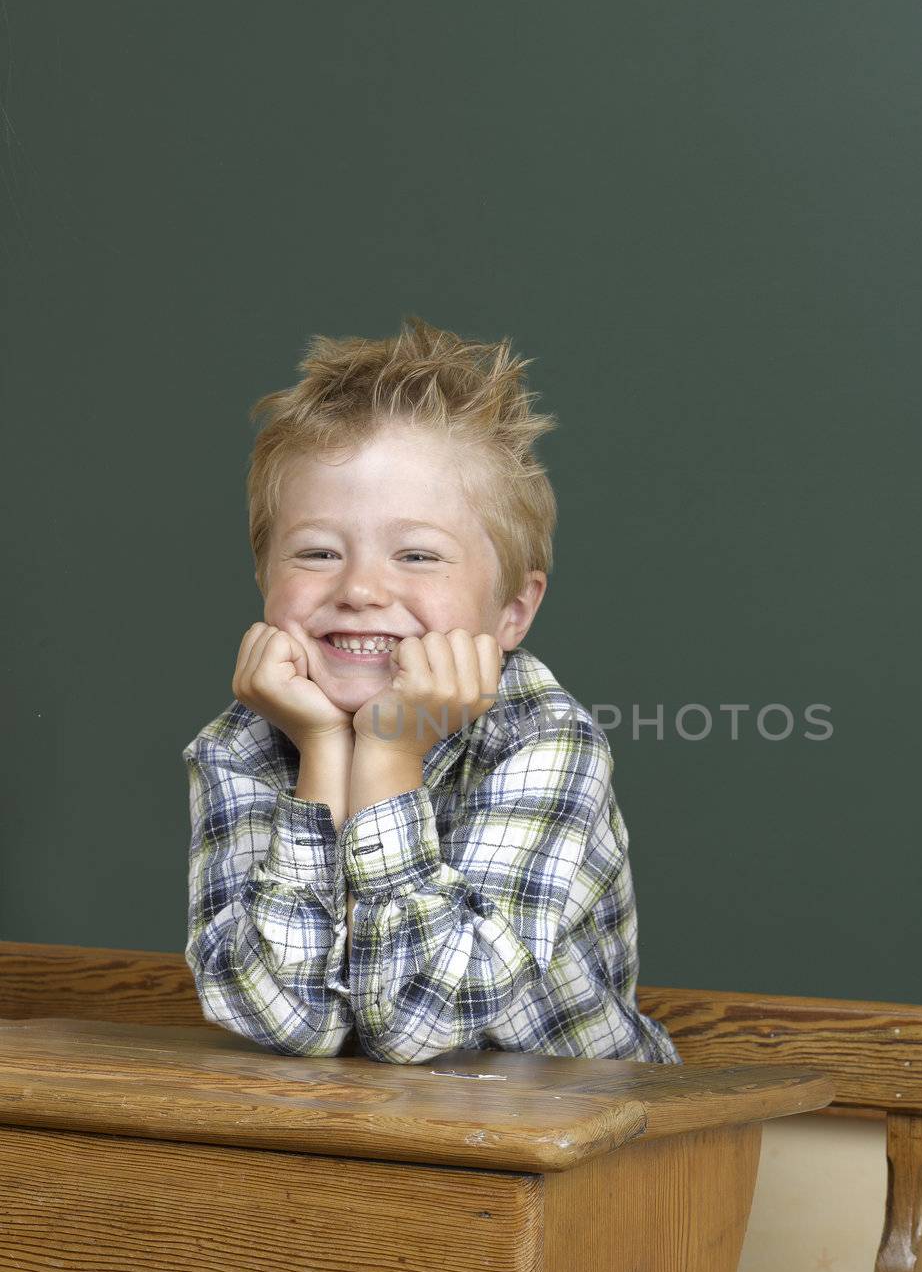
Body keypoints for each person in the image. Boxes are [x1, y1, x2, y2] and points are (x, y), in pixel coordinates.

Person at [182, 316, 680, 1065]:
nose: (359, 589)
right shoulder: (242, 744)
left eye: (417, 555)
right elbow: (285, 1020)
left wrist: (387, 754)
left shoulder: (544, 740)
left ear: (513, 611)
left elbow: (423, 1024)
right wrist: (322, 751)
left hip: (595, 1151)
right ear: (264, 580)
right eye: (317, 552)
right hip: (381, 1143)